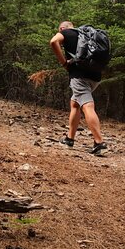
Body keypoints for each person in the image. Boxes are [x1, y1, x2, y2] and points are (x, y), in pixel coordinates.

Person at [50, 21, 107, 155]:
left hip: (79, 77)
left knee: (87, 106)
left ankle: (99, 143)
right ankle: (70, 139)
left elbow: (53, 42)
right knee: (75, 103)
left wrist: (64, 63)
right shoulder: (87, 35)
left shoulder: (66, 33)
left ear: (62, 28)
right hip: (95, 77)